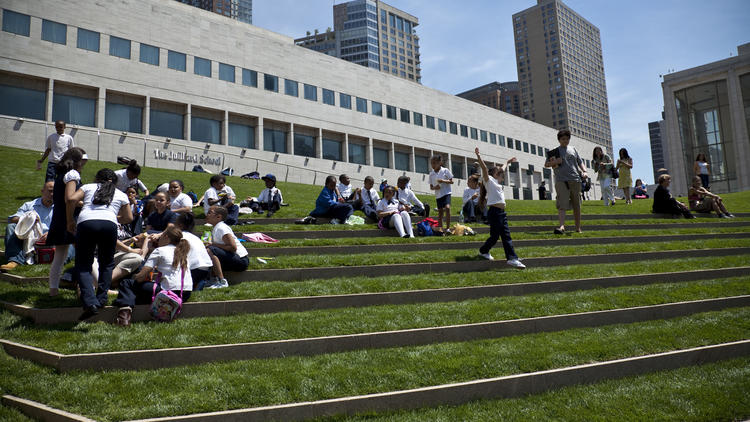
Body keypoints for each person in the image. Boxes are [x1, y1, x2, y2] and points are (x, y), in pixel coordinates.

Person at [68, 168, 132, 320]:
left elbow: (71, 199)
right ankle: (101, 299)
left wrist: (70, 220)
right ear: (115, 181)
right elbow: (129, 217)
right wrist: (113, 217)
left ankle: (90, 302)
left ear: (97, 178)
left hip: (86, 223)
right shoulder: (121, 194)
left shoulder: (88, 187)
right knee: (107, 264)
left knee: (83, 265)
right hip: (109, 226)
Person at [112, 225, 192, 326]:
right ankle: (124, 302)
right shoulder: (183, 253)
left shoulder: (160, 251)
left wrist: (135, 277)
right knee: (138, 293)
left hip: (167, 293)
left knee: (127, 283)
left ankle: (123, 318)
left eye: (161, 236)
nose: (159, 239)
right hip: (185, 294)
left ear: (166, 237)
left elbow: (141, 277)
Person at [45, 147, 88, 296]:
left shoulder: (61, 174)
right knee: (84, 256)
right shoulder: (73, 174)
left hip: (58, 217)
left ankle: (53, 290)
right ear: (77, 160)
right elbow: (69, 199)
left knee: (59, 257)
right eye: (82, 160)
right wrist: (86, 203)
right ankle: (84, 288)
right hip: (69, 219)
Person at [474, 148, 525, 268]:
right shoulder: (489, 181)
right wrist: (479, 156)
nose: (503, 176)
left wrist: (508, 161)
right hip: (495, 213)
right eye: (501, 174)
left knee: (502, 236)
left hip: (501, 213)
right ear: (495, 174)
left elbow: (503, 168)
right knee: (498, 236)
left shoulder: (497, 184)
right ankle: (505, 256)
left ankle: (509, 257)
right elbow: (485, 169)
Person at [1, 181, 55, 272]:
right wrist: (27, 219)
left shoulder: (62, 207)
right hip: (28, 236)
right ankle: (14, 260)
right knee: (11, 227)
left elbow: (66, 225)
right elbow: (12, 219)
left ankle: (59, 260)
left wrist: (52, 233)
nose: (52, 194)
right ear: (42, 191)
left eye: (56, 191)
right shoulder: (30, 205)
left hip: (50, 239)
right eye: (50, 191)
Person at [545, 129, 588, 234]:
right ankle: (561, 226)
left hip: (575, 180)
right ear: (559, 140)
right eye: (563, 139)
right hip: (561, 180)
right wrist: (555, 161)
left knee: (576, 205)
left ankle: (578, 228)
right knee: (562, 204)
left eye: (567, 139)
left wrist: (585, 171)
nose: (565, 141)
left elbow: (580, 162)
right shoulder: (554, 151)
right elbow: (546, 164)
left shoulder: (573, 149)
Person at [204, 206, 249, 288]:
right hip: (232, 258)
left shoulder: (222, 228)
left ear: (218, 217)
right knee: (210, 251)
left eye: (210, 212)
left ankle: (222, 281)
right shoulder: (217, 227)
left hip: (241, 260)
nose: (207, 214)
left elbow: (233, 247)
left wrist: (213, 245)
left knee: (210, 250)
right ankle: (214, 279)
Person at [174, 213, 213, 289]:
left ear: (180, 225)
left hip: (194, 270)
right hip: (206, 269)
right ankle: (198, 283)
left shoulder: (180, 237)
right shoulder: (195, 237)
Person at [429, 154, 453, 233]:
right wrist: (435, 187)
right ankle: (441, 229)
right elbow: (431, 187)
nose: (433, 165)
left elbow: (451, 181)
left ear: (440, 163)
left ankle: (448, 228)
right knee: (440, 212)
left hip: (446, 193)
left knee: (447, 208)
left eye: (435, 163)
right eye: (432, 163)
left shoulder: (445, 170)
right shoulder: (431, 174)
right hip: (438, 195)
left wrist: (443, 181)